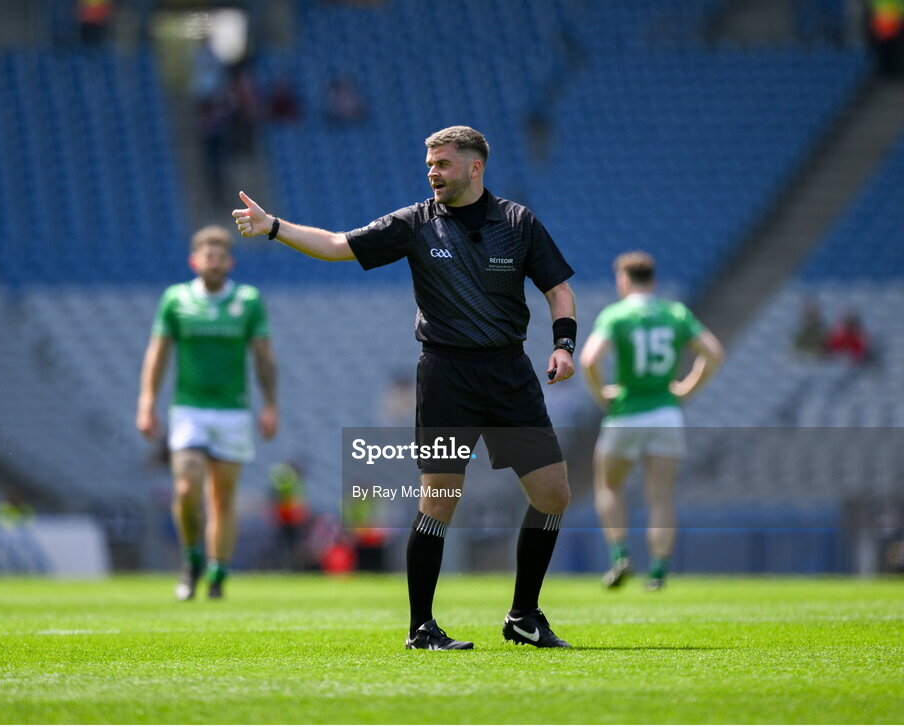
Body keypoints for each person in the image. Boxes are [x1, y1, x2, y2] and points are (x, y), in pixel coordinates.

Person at [232, 125, 578, 650]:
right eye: (430, 165)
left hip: (510, 373)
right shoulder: (415, 223)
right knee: (439, 499)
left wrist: (563, 346)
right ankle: (422, 628)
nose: (432, 173)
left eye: (442, 163)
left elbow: (558, 289)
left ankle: (523, 615)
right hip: (447, 375)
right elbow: (337, 244)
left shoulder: (517, 223)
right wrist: (274, 226)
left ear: (474, 166)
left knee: (553, 494)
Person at [137, 225, 277, 600]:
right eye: (207, 257)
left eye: (220, 257)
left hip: (233, 412)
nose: (213, 263)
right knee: (185, 487)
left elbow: (263, 356)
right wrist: (147, 402)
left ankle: (217, 573)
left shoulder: (248, 300)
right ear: (194, 261)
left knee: (222, 497)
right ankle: (192, 559)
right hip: (189, 410)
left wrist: (270, 405)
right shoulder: (176, 299)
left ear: (229, 262)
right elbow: (158, 353)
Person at [579, 251, 724, 591]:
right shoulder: (675, 313)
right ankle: (658, 571)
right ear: (653, 280)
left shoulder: (616, 315)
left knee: (609, 486)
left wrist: (602, 394)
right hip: (665, 413)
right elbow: (713, 353)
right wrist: (687, 388)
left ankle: (620, 554)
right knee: (660, 497)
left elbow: (588, 360)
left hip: (627, 412)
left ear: (624, 280)